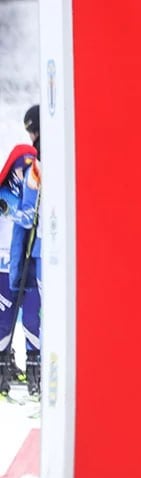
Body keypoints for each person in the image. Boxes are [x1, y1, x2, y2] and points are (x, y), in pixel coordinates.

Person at [0, 108, 42, 398]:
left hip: (32, 252)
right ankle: (4, 365)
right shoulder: (26, 160)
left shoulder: (36, 161)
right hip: (10, 254)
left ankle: (34, 366)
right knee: (8, 312)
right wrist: (21, 211)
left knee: (31, 314)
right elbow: (15, 204)